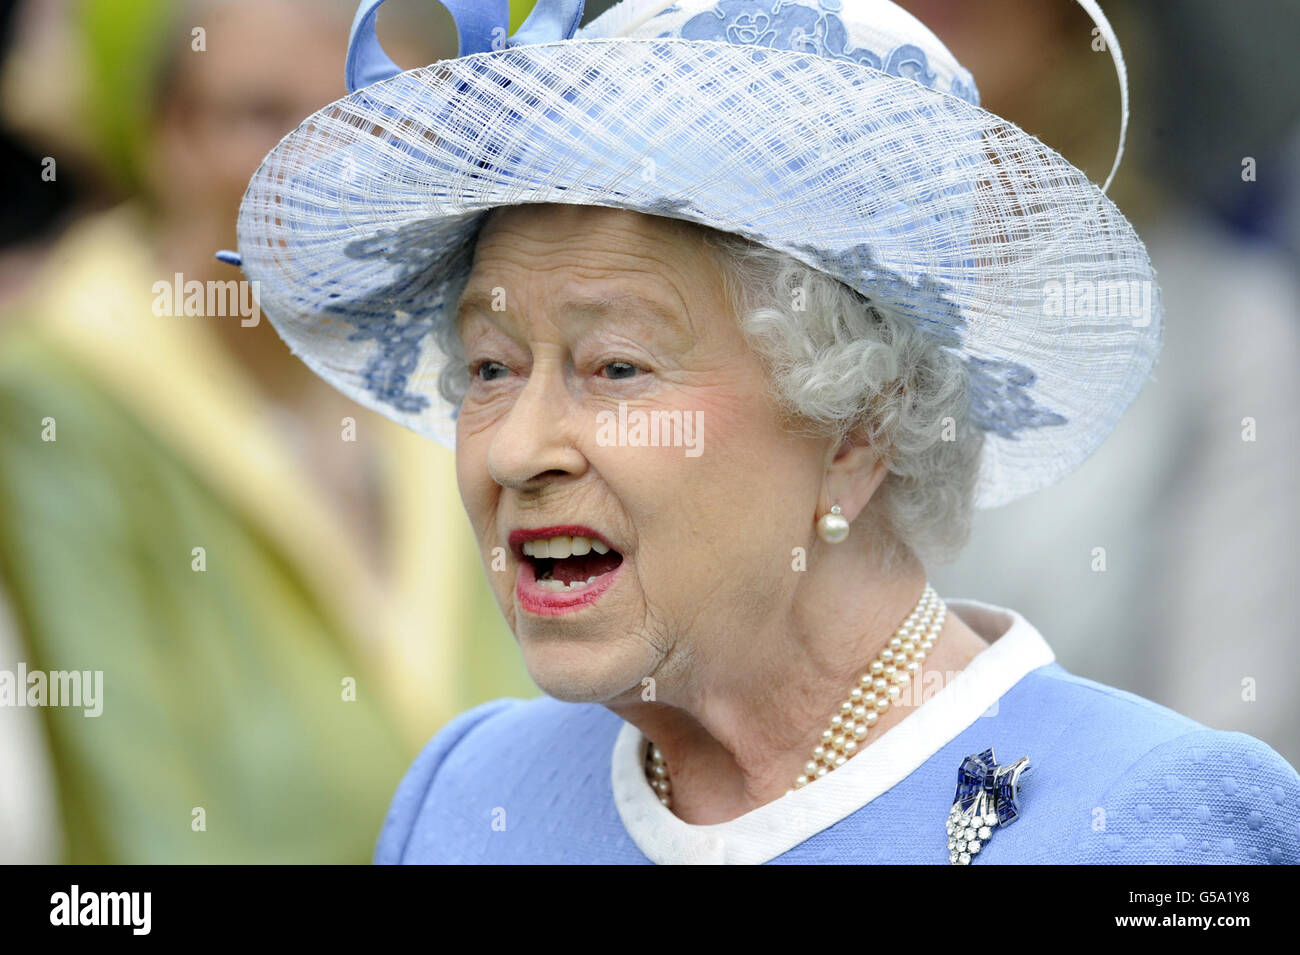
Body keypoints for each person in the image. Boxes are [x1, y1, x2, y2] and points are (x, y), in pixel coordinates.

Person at [231, 0, 1300, 864]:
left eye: (615, 367)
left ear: (855, 430)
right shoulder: (468, 794)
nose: (517, 452)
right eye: (491, 370)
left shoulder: (1152, 819)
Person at [0, 0, 533, 863]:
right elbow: (132, 810)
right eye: (259, 114)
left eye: (361, 118)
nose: (315, 161)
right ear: (166, 136)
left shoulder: (442, 349)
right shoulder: (61, 388)